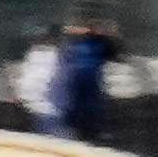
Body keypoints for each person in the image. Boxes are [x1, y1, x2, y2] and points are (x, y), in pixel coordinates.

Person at [50, 10, 119, 148]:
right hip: (79, 83)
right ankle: (81, 132)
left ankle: (86, 133)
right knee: (80, 107)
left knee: (86, 108)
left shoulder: (97, 43)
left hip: (86, 83)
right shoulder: (77, 42)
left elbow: (114, 53)